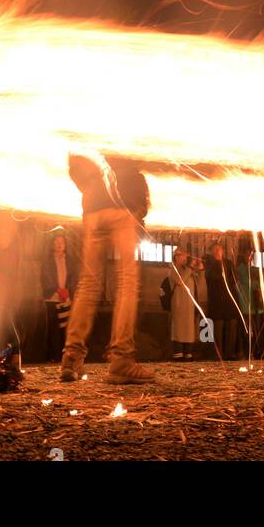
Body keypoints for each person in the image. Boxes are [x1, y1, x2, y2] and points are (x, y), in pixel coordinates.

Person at [60, 155, 154, 384]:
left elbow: (74, 163)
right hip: (125, 200)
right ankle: (122, 358)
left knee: (89, 283)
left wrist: (92, 187)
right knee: (127, 282)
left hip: (94, 203)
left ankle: (71, 357)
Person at [40, 231, 79, 362]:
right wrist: (56, 290)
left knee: (66, 329)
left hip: (66, 299)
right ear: (52, 244)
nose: (58, 245)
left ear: (65, 244)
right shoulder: (47, 261)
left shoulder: (70, 261)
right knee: (53, 329)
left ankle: (65, 357)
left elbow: (74, 278)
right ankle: (53, 357)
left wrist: (68, 292)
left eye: (61, 242)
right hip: (52, 299)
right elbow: (45, 278)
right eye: (56, 242)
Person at [168, 248, 207, 360]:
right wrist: (190, 267)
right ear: (177, 257)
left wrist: (201, 270)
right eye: (183, 256)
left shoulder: (188, 270)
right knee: (179, 332)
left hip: (190, 308)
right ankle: (178, 355)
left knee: (189, 332)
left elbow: (200, 285)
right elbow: (180, 280)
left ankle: (188, 355)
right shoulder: (173, 270)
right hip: (179, 307)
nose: (186, 258)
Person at [204, 241, 236, 359]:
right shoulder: (210, 264)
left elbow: (234, 279)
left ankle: (230, 354)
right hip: (216, 301)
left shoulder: (228, 263)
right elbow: (210, 276)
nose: (218, 251)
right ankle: (218, 355)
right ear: (212, 252)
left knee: (231, 328)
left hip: (229, 301)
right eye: (215, 249)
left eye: (220, 249)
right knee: (217, 329)